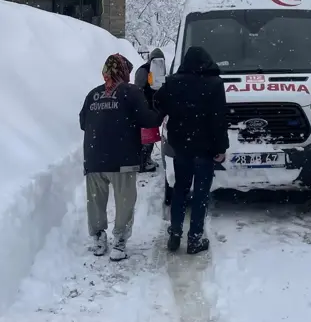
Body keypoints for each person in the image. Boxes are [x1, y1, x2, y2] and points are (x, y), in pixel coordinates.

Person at [79, 52, 164, 261]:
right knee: (124, 201)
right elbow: (149, 120)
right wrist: (162, 107)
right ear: (124, 72)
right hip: (122, 159)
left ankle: (98, 238)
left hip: (94, 158)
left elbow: (83, 123)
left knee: (95, 202)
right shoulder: (131, 92)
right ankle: (119, 242)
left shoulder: (92, 94)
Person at [153, 46, 229, 255]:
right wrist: (221, 147)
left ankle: (175, 233)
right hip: (205, 149)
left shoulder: (174, 83)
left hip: (182, 147)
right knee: (201, 194)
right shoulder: (215, 84)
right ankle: (194, 238)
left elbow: (157, 101)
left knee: (180, 190)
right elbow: (219, 119)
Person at [134, 47, 166, 172]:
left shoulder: (149, 70)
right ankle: (143, 162)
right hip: (147, 108)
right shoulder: (144, 70)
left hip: (152, 108)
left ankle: (146, 160)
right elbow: (138, 89)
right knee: (146, 138)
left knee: (150, 137)